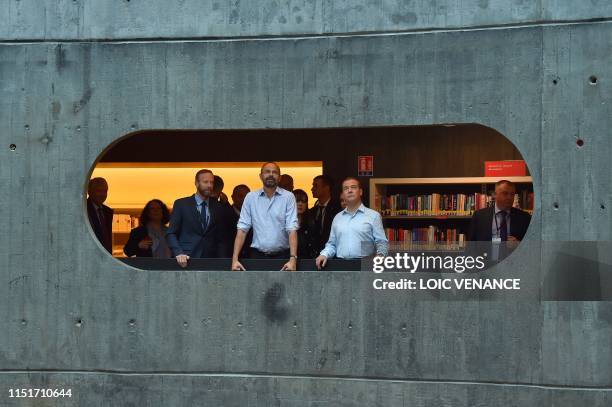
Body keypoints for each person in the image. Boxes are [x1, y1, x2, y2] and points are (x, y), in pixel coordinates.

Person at [232, 162, 299, 271]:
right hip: (257, 256)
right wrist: (235, 259)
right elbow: (242, 230)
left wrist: (293, 259)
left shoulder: (288, 197)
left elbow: (292, 229)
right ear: (261, 176)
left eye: (275, 172)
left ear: (279, 177)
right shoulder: (251, 197)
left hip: (283, 257)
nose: (271, 174)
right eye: (267, 172)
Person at [315, 177, 388, 270]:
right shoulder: (337, 218)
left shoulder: (373, 216)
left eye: (353, 187)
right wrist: (324, 255)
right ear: (343, 194)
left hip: (366, 266)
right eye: (346, 188)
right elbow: (332, 244)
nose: (349, 190)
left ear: (360, 192)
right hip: (341, 266)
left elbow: (382, 243)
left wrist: (379, 258)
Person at [166, 169, 230, 268]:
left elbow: (221, 239)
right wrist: (178, 253)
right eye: (205, 182)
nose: (209, 185)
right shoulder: (181, 204)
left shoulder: (218, 207)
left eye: (211, 182)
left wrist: (223, 262)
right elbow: (171, 233)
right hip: (185, 259)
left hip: (211, 261)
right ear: (196, 183)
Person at [467, 180, 531, 242]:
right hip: (486, 253)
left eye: (512, 194)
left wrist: (519, 245)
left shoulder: (524, 217)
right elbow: (471, 244)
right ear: (494, 195)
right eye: (505, 193)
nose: (509, 197)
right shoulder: (479, 216)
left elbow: (532, 245)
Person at [308, 175, 342, 254]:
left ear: (327, 187)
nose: (312, 189)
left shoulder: (337, 209)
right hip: (314, 255)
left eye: (315, 185)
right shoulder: (312, 211)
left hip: (333, 254)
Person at [86, 177, 114, 253]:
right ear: (90, 192)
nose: (103, 194)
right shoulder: (83, 209)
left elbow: (107, 239)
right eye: (99, 191)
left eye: (105, 191)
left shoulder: (108, 211)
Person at [229, 184, 252, 259]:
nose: (243, 199)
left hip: (251, 258)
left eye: (246, 197)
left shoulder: (256, 215)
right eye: (240, 196)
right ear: (232, 197)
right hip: (229, 258)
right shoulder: (225, 214)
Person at [293, 189, 316, 258]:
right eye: (297, 201)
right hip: (288, 261)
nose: (300, 204)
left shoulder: (312, 222)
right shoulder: (284, 222)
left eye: (304, 201)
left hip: (307, 261)